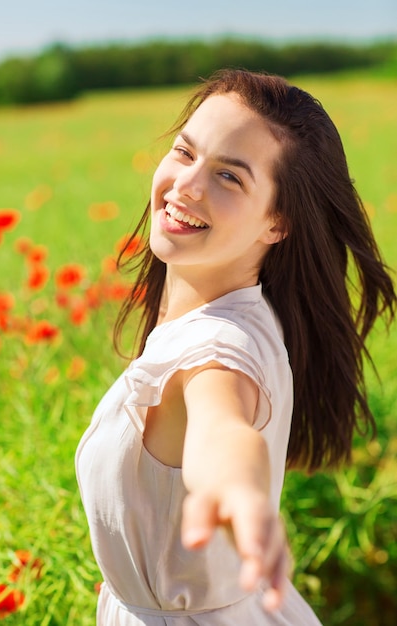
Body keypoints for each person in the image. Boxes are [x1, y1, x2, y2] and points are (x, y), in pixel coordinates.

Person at [76, 69, 396, 625]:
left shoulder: (219, 345)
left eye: (229, 176)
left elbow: (222, 429)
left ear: (277, 221)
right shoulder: (243, 314)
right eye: (184, 151)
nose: (187, 185)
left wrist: (237, 494)